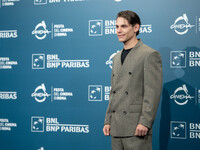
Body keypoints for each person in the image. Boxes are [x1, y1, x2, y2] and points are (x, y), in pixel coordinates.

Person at [103, 10, 163, 150]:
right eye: (116, 27)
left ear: (136, 28)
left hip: (136, 127)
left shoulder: (149, 54)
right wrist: (108, 120)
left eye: (123, 26)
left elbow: (152, 93)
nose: (118, 30)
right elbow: (114, 92)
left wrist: (145, 122)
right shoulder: (116, 57)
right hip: (116, 128)